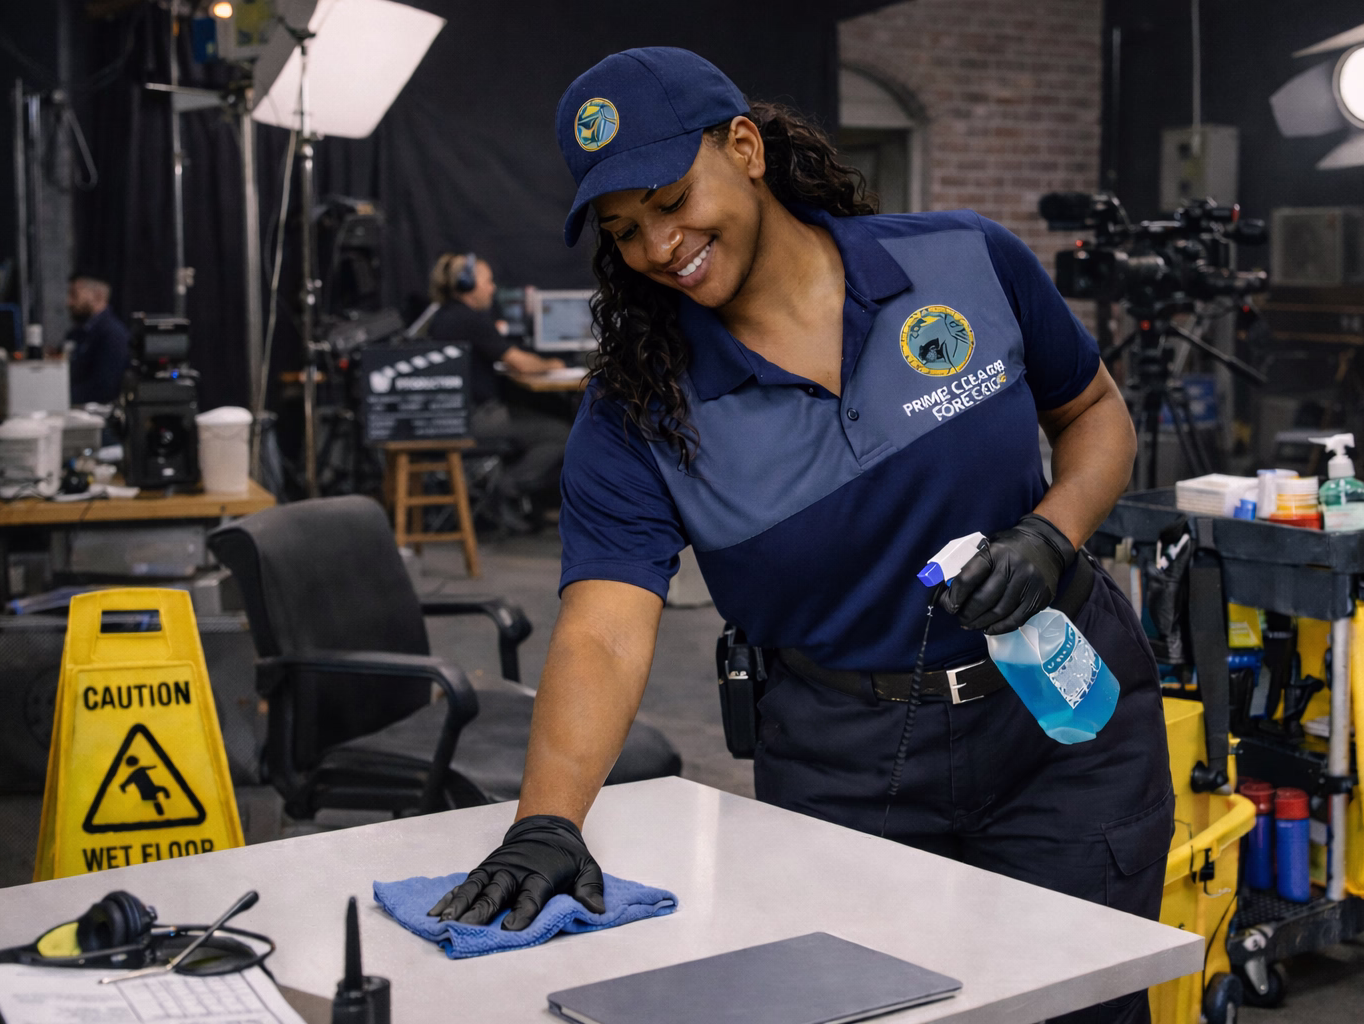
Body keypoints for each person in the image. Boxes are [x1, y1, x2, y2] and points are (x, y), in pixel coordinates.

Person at [429, 49, 1171, 1024]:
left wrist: (1049, 534)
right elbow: (604, 630)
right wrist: (547, 819)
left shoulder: (963, 259)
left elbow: (1095, 412)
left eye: (669, 196)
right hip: (851, 763)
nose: (660, 245)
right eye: (626, 230)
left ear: (744, 147)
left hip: (1062, 726)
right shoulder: (640, 409)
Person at [426, 252, 572, 519]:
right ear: (467, 285)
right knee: (563, 435)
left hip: (458, 414)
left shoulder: (448, 315)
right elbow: (521, 364)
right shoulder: (469, 318)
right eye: (488, 281)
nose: (492, 288)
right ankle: (507, 487)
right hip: (474, 418)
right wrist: (552, 365)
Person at [65, 274, 130, 405]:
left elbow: (105, 388)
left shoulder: (112, 334)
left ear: (98, 296)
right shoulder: (78, 333)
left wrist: (59, 397)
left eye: (74, 295)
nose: (68, 303)